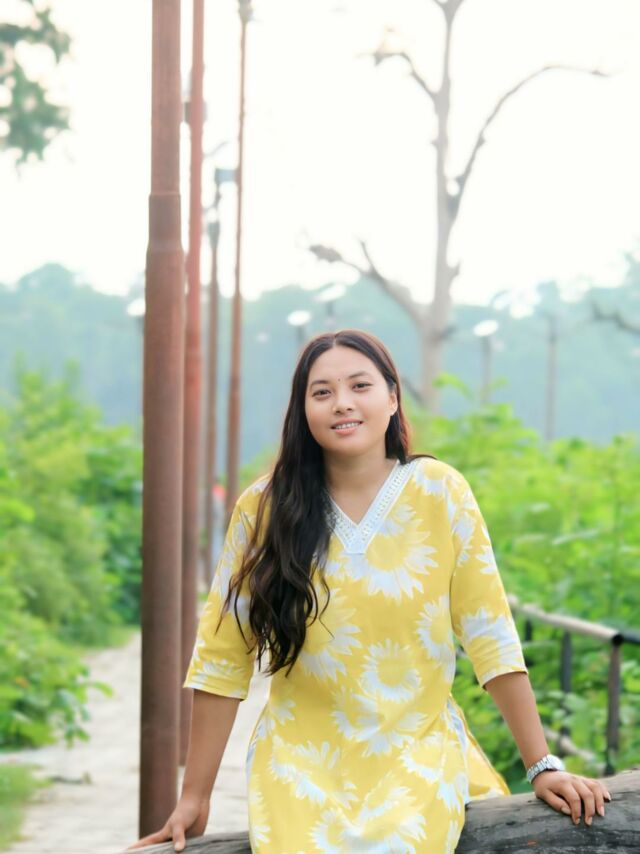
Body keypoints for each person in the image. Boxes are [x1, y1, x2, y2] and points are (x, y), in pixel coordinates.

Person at [128, 329, 610, 853]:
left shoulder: (440, 492)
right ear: (303, 410)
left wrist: (542, 765)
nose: (342, 403)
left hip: (416, 751)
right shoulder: (264, 509)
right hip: (301, 762)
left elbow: (490, 636)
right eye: (322, 392)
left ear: (392, 398)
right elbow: (223, 658)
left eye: (360, 386)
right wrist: (194, 797)